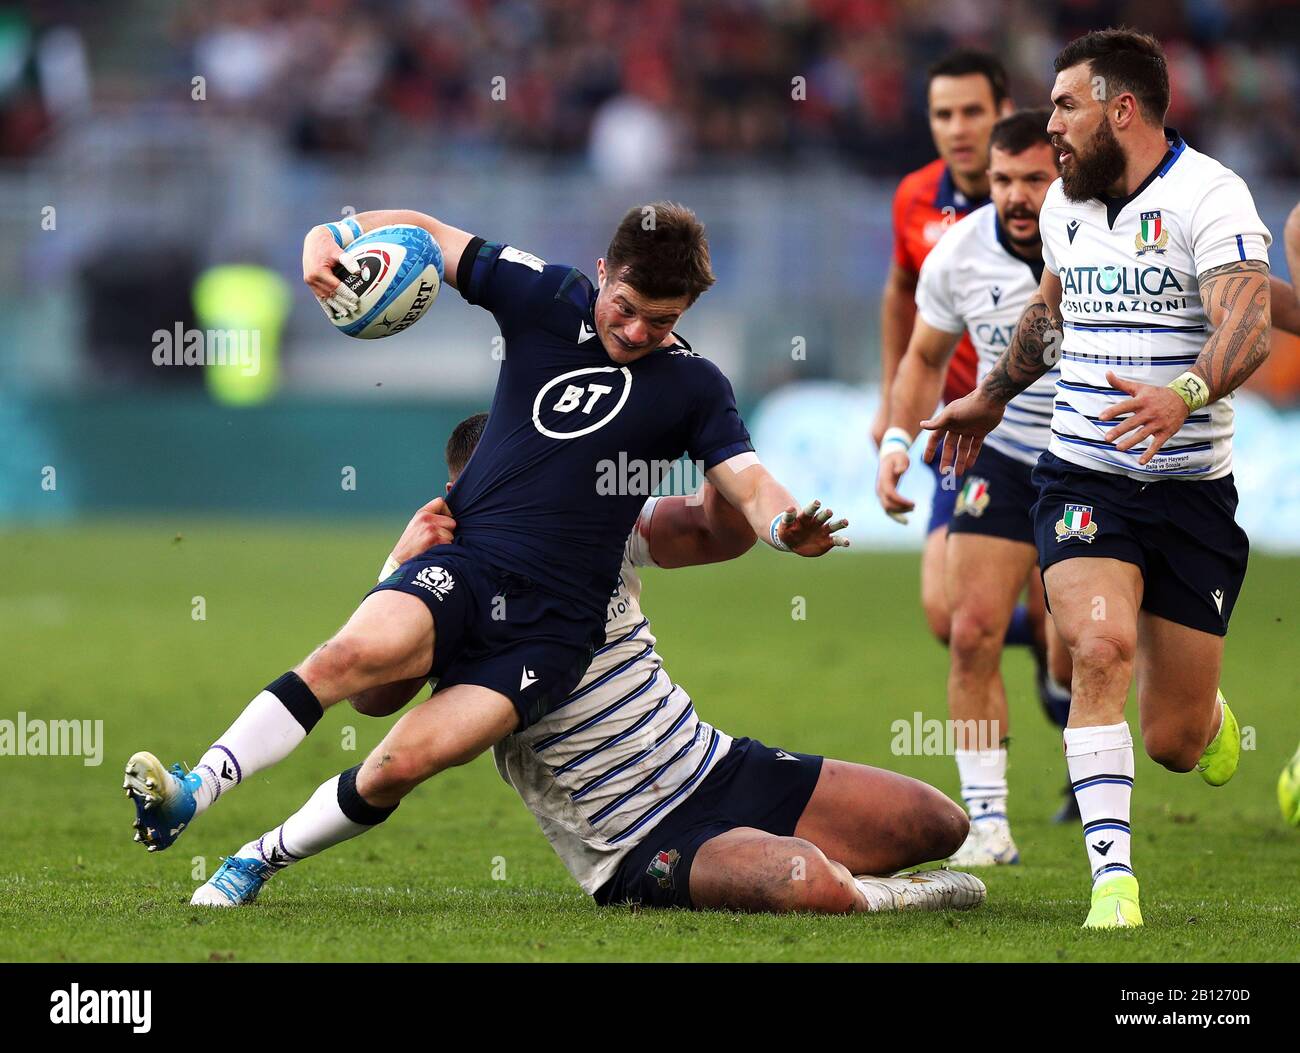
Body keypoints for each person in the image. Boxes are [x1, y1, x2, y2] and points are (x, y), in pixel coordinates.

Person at [123, 203, 847, 858]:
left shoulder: (696, 387)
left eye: (659, 321)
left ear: (686, 308)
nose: (634, 332)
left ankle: (257, 858)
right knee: (342, 659)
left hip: (556, 627)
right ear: (602, 273)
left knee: (400, 765)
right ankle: (194, 789)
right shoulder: (550, 297)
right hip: (468, 565)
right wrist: (330, 236)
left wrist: (783, 525)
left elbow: (747, 481)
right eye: (624, 307)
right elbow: (431, 236)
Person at [188, 413, 986, 914]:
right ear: (464, 495)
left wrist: (703, 433)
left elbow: (713, 530)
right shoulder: (449, 580)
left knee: (938, 821)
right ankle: (872, 897)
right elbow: (373, 705)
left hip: (715, 764)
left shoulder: (594, 526)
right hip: (637, 839)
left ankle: (851, 880)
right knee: (802, 882)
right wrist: (390, 569)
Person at [922, 29, 1273, 927]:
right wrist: (993, 395)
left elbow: (1248, 326)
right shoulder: (1067, 211)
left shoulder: (1212, 195)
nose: (1054, 128)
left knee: (1174, 741)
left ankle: (1203, 711)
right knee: (1099, 649)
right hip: (1082, 476)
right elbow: (1051, 313)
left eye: (1068, 106)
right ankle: (1113, 880)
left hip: (1193, 488)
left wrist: (1182, 393)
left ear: (1123, 109)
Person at [877, 110, 1073, 865]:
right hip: (1002, 456)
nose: (1017, 197)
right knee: (968, 629)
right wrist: (897, 441)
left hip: (1088, 462)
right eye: (1002, 181)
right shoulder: (957, 253)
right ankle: (989, 824)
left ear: (1063, 177)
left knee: (1070, 652)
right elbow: (924, 358)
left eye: (1034, 179)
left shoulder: (1098, 239)